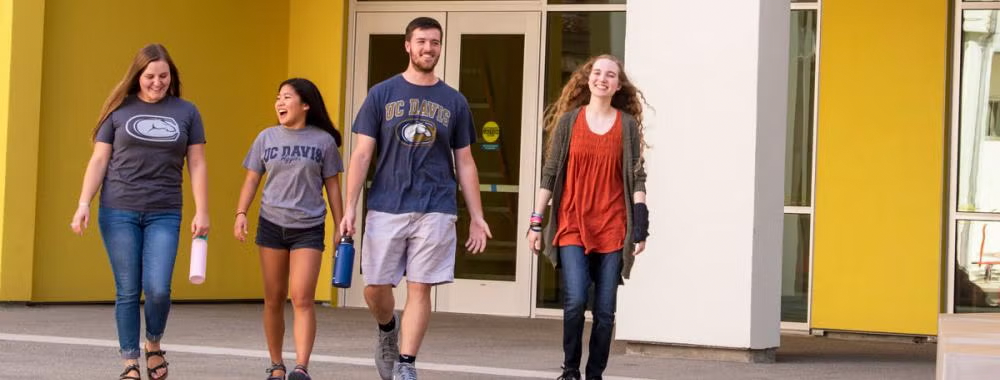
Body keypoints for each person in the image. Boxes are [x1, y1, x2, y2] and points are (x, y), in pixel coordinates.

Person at [339, 16, 492, 380]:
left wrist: (478, 215)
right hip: (386, 204)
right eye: (421, 41)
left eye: (435, 42)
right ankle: (388, 330)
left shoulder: (453, 101)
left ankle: (406, 364)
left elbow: (466, 162)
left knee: (420, 287)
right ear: (407, 45)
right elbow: (361, 155)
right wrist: (349, 208)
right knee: (375, 288)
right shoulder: (382, 94)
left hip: (435, 206)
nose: (428, 48)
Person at [70, 43, 210, 380]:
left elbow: (198, 163)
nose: (157, 82)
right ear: (138, 75)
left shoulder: (187, 112)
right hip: (118, 209)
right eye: (150, 76)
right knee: (128, 289)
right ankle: (130, 361)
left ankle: (154, 344)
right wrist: (83, 203)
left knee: (159, 288)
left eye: (163, 76)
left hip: (165, 211)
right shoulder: (119, 110)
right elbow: (100, 159)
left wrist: (202, 210)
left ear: (171, 76)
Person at [526, 54, 649, 380]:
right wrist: (536, 223)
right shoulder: (570, 122)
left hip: (612, 227)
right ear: (587, 78)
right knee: (576, 300)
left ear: (618, 84)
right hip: (572, 223)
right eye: (597, 73)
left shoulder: (625, 127)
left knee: (605, 312)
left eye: (610, 75)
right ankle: (570, 371)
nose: (602, 79)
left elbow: (637, 177)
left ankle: (594, 374)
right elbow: (550, 174)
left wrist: (640, 226)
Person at [234, 78, 344, 380]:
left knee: (302, 297)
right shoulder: (266, 138)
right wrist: (241, 212)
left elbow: (333, 187)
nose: (280, 103)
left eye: (287, 97)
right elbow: (252, 180)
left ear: (305, 104)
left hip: (308, 227)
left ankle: (301, 367)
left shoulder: (323, 141)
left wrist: (340, 225)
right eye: (278, 98)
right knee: (273, 297)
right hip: (271, 224)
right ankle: (276, 365)